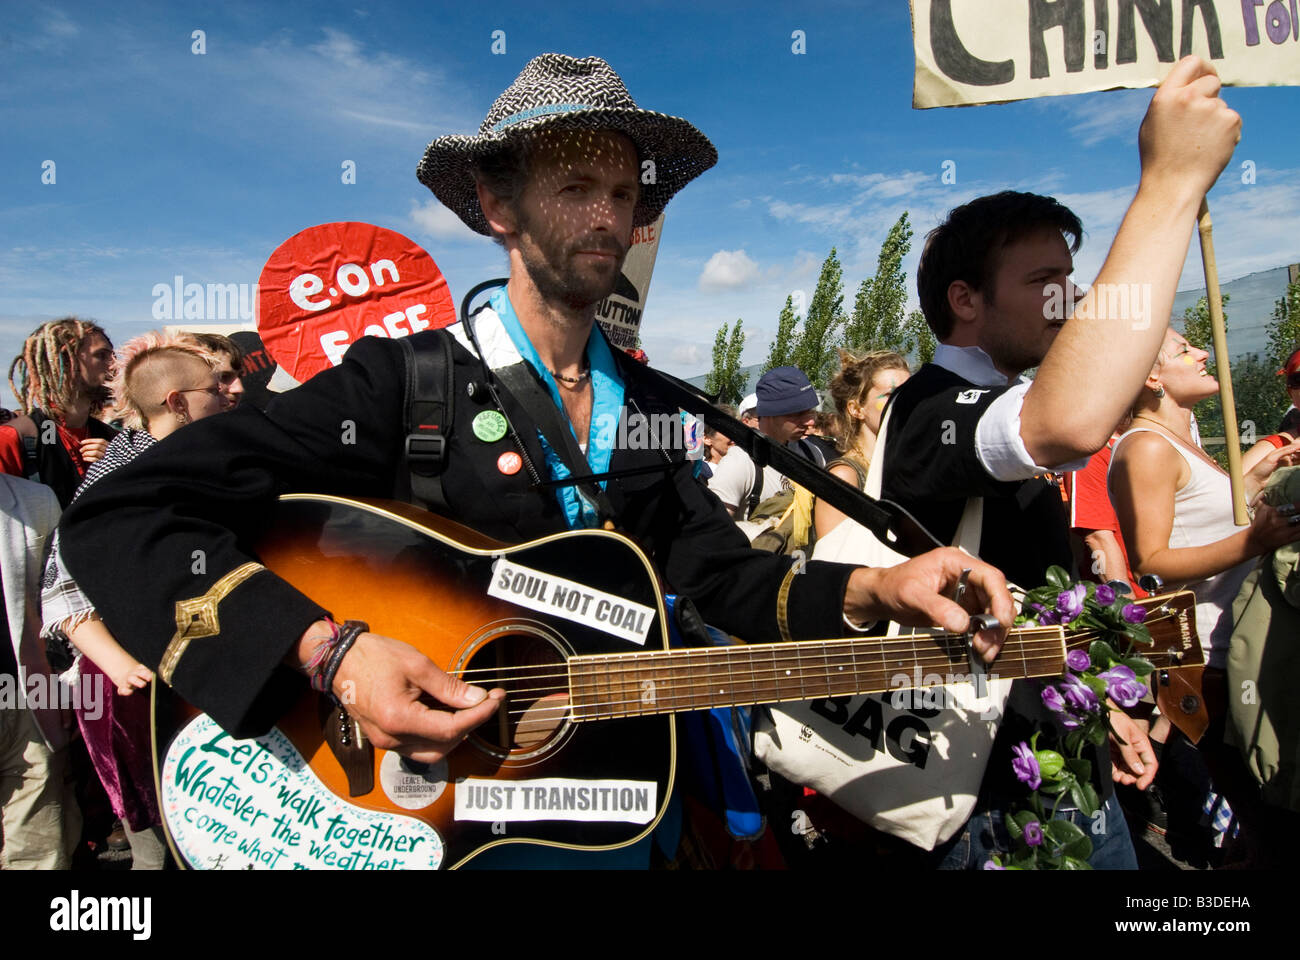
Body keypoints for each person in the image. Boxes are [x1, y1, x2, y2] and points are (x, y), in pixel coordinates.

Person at [58, 54, 1013, 862]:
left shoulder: (648, 407)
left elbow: (727, 582)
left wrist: (875, 594)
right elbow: (121, 518)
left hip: (609, 817)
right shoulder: (401, 384)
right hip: (414, 816)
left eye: (623, 193)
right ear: (496, 203)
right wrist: (330, 652)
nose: (609, 215)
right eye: (576, 186)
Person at [865, 56, 1243, 869]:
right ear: (965, 299)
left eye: (1071, 281)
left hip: (1050, 760)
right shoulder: (927, 408)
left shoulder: (1001, 400)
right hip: (981, 796)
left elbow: (1043, 588)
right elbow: (1067, 422)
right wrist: (1171, 182)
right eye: (1045, 282)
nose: (1068, 302)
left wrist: (1107, 700)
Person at [1108, 328, 1300, 864]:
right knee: (1276, 824)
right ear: (1151, 377)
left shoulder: (1178, 442)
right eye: (1184, 349)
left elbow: (1198, 522)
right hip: (1218, 664)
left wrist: (1256, 480)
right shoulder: (1145, 446)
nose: (1201, 353)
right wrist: (1255, 539)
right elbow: (1152, 558)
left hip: (1249, 646)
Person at [42, 332, 230, 869]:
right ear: (176, 402)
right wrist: (121, 666)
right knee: (160, 851)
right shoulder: (119, 473)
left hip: (207, 680)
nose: (226, 395)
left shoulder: (209, 458)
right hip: (137, 695)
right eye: (213, 388)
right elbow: (61, 580)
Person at [0, 473, 77, 869]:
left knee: (36, 843)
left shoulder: (36, 501)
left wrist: (63, 687)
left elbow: (60, 600)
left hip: (25, 696)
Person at [1, 318, 117, 507]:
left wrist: (120, 466)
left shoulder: (114, 439)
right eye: (102, 356)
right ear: (65, 361)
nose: (114, 365)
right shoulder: (14, 439)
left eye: (113, 356)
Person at [814, 349, 910, 540]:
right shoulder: (844, 476)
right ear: (857, 409)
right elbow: (832, 561)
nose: (907, 402)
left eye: (911, 392)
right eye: (892, 395)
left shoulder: (904, 465)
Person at [708, 366, 826, 520]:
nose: (810, 421)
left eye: (810, 411)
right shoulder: (740, 463)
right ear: (770, 412)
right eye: (798, 413)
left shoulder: (812, 454)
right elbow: (714, 531)